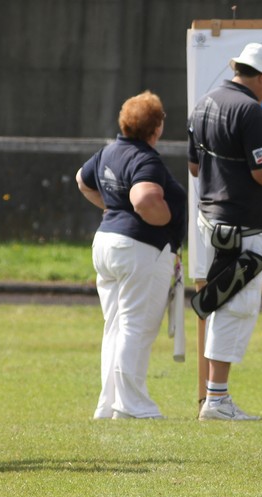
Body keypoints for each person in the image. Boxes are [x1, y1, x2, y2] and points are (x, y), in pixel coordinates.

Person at [187, 42, 262, 420]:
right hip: (242, 224)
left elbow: (195, 167)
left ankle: (216, 398)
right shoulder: (250, 110)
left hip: (211, 220)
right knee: (236, 307)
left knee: (222, 302)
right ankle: (216, 400)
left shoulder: (203, 103)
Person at [78, 91, 186, 419]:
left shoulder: (109, 151)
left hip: (106, 242)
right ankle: (133, 406)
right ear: (155, 128)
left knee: (115, 326)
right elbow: (144, 199)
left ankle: (108, 404)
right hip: (140, 248)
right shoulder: (146, 159)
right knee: (135, 327)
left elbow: (82, 181)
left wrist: (113, 208)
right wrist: (167, 220)